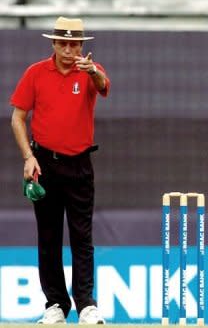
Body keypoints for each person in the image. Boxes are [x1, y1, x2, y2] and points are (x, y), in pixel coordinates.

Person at [10, 17, 110, 324]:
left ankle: (86, 305)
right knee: (49, 236)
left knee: (82, 236)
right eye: (63, 43)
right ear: (53, 44)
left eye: (74, 44)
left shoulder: (91, 71)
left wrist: (93, 73)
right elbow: (17, 117)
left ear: (81, 46)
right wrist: (28, 157)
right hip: (45, 164)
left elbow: (103, 86)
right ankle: (55, 304)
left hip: (79, 164)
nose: (68, 49)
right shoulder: (36, 73)